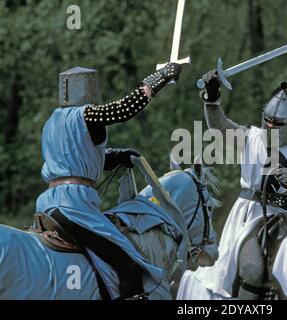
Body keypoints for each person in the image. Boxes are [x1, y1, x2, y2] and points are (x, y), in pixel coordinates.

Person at [36, 64, 181, 300]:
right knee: (131, 268)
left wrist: (114, 157)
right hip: (74, 207)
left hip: (47, 204)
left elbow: (74, 160)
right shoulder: (86, 116)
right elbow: (123, 109)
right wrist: (158, 79)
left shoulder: (51, 123)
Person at [177, 70, 287, 299]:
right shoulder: (250, 137)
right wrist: (212, 97)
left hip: (285, 217)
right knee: (252, 270)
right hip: (250, 215)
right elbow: (219, 127)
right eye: (269, 121)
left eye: (278, 123)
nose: (271, 126)